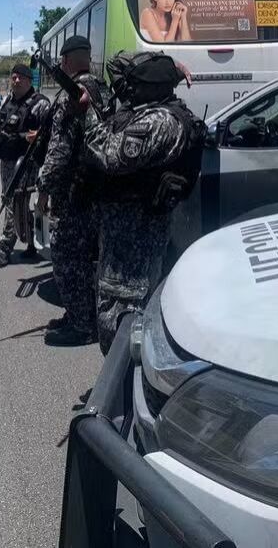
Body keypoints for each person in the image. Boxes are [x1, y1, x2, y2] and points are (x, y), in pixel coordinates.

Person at [80, 51, 206, 353]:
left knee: (121, 330)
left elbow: (107, 153)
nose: (125, 91)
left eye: (131, 86)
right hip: (130, 238)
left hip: (133, 250)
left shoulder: (160, 121)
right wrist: (171, 65)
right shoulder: (155, 110)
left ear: (148, 87)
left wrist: (89, 111)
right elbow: (118, 64)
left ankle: (124, 383)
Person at [37, 35, 112, 347]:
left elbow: (60, 150)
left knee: (67, 257)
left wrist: (43, 188)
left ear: (66, 61)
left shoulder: (71, 97)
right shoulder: (103, 91)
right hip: (100, 188)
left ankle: (83, 325)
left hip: (74, 194)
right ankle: (79, 314)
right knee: (86, 259)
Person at [0, 64, 51, 269]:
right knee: (18, 202)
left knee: (13, 201)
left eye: (21, 77)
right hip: (7, 161)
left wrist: (36, 137)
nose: (16, 81)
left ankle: (4, 248)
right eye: (13, 77)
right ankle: (32, 242)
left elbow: (50, 134)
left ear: (29, 80)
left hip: (25, 162)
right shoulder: (9, 101)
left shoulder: (40, 104)